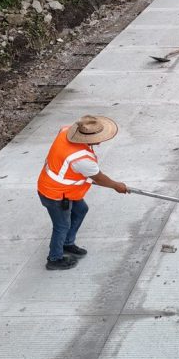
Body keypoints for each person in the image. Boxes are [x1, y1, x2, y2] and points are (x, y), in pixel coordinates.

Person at [37, 115, 128, 271]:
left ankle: (67, 243)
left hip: (60, 188)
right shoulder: (82, 159)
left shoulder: (66, 131)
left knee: (81, 210)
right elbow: (99, 178)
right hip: (56, 195)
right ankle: (54, 259)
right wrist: (116, 186)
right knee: (61, 225)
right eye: (98, 138)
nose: (100, 141)